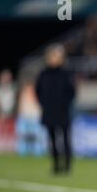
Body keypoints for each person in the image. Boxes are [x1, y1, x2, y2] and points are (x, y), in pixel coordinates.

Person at [35, 44, 76, 175]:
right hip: (49, 111)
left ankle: (67, 166)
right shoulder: (43, 74)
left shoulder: (66, 73)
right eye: (52, 56)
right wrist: (44, 103)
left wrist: (65, 104)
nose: (54, 59)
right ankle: (56, 165)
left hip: (63, 111)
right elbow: (38, 91)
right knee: (52, 139)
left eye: (57, 56)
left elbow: (72, 92)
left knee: (65, 139)